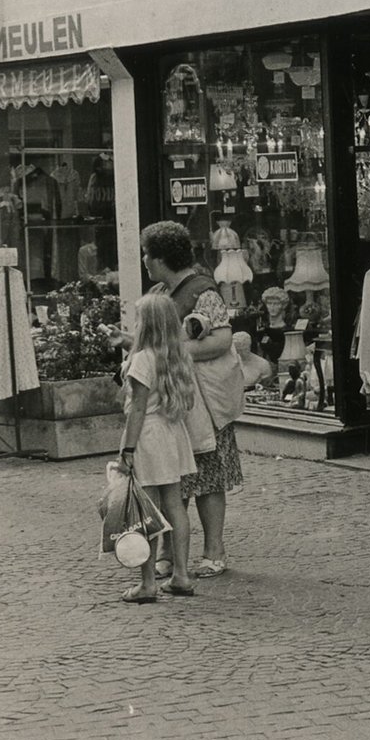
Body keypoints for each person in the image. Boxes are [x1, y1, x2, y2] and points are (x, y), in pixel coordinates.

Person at [130, 221, 245, 579]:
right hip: (173, 401)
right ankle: (169, 552)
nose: (145, 260)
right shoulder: (161, 290)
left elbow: (222, 340)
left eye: (148, 254)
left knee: (208, 478)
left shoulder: (202, 292)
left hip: (203, 403)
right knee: (172, 476)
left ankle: (214, 551)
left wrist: (171, 350)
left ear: (162, 257)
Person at [116, 294, 198, 603]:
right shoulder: (176, 356)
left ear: (146, 324)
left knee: (145, 512)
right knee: (175, 506)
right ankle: (182, 574)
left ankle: (148, 582)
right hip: (172, 432)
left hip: (148, 436)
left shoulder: (142, 359)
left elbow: (137, 409)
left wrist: (127, 450)